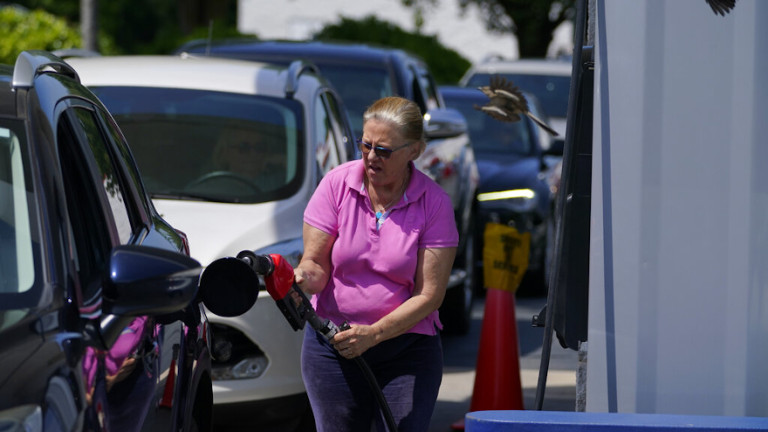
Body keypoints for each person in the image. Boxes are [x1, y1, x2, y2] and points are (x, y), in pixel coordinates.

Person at [293, 96, 458, 431]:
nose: (370, 156)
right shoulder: (336, 185)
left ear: (415, 151)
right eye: (365, 144)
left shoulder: (435, 203)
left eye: (384, 150)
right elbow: (315, 265)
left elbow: (430, 295)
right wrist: (298, 279)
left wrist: (373, 334)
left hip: (406, 350)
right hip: (333, 344)